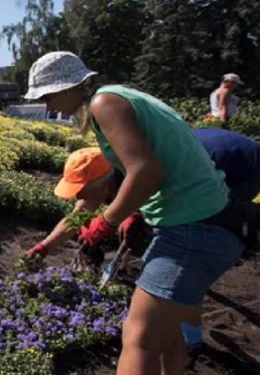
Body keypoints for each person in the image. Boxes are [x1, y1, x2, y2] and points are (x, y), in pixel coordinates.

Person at [23, 51, 243, 375]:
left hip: (191, 227)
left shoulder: (104, 105)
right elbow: (89, 205)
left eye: (48, 95)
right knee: (166, 336)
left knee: (137, 341)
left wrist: (107, 222)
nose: (47, 104)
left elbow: (145, 172)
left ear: (71, 86)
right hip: (206, 222)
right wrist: (45, 245)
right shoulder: (121, 98)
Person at [25, 127, 260, 350]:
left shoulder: (142, 169)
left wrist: (131, 215)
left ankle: (190, 331)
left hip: (241, 166)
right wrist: (43, 247)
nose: (80, 197)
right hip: (208, 154)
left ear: (103, 184)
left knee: (189, 236)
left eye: (83, 191)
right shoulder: (112, 170)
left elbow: (159, 193)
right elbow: (77, 217)